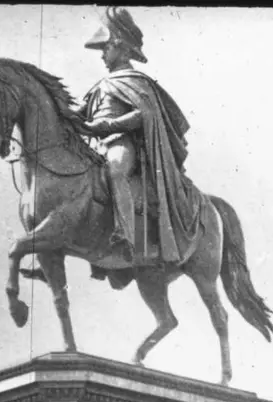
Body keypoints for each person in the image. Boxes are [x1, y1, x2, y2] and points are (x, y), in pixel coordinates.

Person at [80, 6, 203, 265]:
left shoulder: (136, 81)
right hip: (98, 145)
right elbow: (82, 114)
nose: (103, 54)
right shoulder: (100, 85)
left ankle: (125, 234)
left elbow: (143, 115)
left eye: (106, 48)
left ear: (121, 47)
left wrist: (108, 125)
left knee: (116, 170)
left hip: (122, 144)